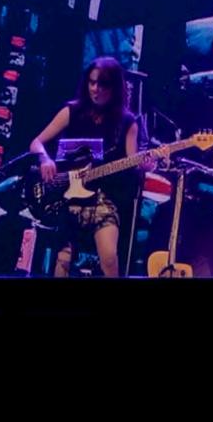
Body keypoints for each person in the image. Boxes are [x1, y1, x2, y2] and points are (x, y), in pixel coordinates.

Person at [29, 56, 147, 278]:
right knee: (63, 259)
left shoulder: (127, 122)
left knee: (109, 257)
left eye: (102, 84)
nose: (95, 89)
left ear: (114, 87)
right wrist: (45, 159)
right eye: (92, 83)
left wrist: (145, 165)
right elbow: (36, 142)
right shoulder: (71, 111)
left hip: (103, 200)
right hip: (67, 199)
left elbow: (134, 163)